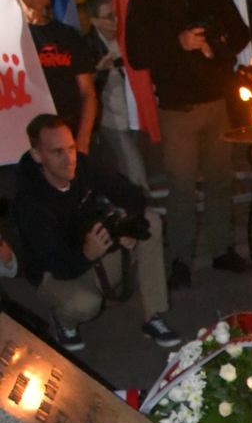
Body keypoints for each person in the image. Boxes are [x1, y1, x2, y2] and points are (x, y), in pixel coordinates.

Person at [124, 0, 250, 290]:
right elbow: (136, 55)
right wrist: (177, 43)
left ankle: (222, 249)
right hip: (177, 107)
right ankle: (180, 258)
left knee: (220, 180)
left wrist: (214, 44)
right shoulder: (144, 1)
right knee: (180, 187)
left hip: (216, 101)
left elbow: (240, 33)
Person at [13, 114, 180, 352]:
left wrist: (129, 225)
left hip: (90, 250)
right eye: (57, 152)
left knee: (149, 222)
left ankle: (153, 315)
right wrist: (87, 254)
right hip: (56, 273)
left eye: (71, 148)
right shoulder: (30, 201)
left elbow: (130, 192)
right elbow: (57, 264)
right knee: (86, 304)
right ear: (37, 155)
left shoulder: (82, 165)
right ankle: (63, 320)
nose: (68, 159)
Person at [6, 0, 97, 155]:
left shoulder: (67, 35)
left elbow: (87, 92)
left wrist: (83, 139)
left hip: (67, 135)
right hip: (23, 141)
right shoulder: (6, 38)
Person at [82, 0, 149, 189]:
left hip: (139, 113)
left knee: (141, 163)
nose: (115, 21)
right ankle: (142, 200)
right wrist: (98, 71)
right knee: (133, 168)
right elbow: (83, 87)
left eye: (117, 14)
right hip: (113, 119)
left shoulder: (128, 37)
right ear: (94, 21)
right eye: (108, 17)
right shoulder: (88, 46)